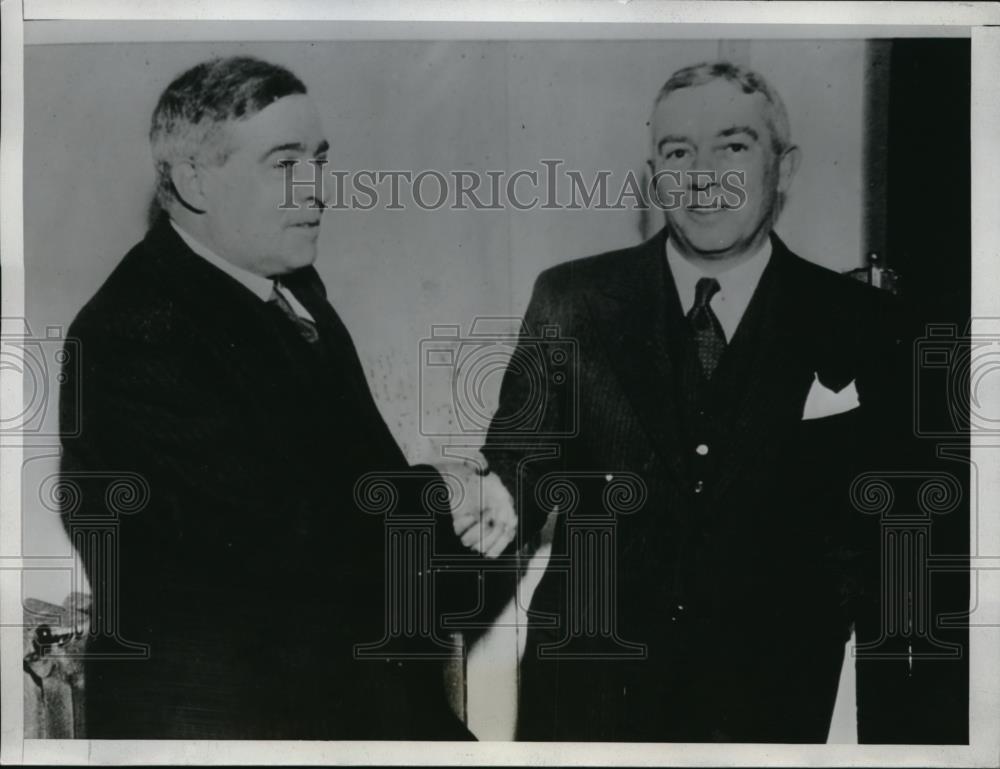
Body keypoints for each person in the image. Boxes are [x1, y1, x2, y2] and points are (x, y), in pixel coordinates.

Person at [473, 61, 907, 742]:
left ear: (783, 169)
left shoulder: (864, 322)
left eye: (733, 147)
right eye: (678, 152)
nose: (702, 176)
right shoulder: (572, 300)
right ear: (655, 173)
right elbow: (518, 465)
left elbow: (887, 539)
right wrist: (484, 496)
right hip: (590, 696)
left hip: (771, 705)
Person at [58, 56, 477, 740]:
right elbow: (294, 550)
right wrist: (453, 495)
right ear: (193, 181)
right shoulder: (132, 330)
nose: (316, 189)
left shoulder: (291, 288)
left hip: (345, 693)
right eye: (284, 163)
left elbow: (363, 484)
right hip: (233, 725)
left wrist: (465, 500)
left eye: (319, 158)